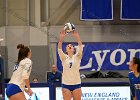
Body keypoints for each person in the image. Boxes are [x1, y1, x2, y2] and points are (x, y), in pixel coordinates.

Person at [58, 30, 83, 100]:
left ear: (73, 49)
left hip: (76, 83)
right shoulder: (64, 58)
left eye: (71, 46)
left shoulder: (77, 57)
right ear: (66, 50)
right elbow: (59, 50)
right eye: (68, 46)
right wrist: (61, 38)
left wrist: (77, 37)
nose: (70, 46)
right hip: (66, 84)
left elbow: (80, 47)